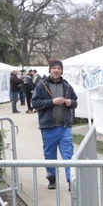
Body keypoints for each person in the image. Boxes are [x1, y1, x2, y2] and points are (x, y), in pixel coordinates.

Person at [30, 60, 77, 191]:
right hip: (48, 127)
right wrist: (52, 102)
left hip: (64, 127)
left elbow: (75, 101)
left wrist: (70, 102)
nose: (56, 70)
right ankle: (52, 177)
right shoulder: (41, 85)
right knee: (50, 155)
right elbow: (35, 103)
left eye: (58, 68)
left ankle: (71, 181)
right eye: (54, 68)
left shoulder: (67, 85)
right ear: (50, 70)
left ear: (61, 71)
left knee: (68, 155)